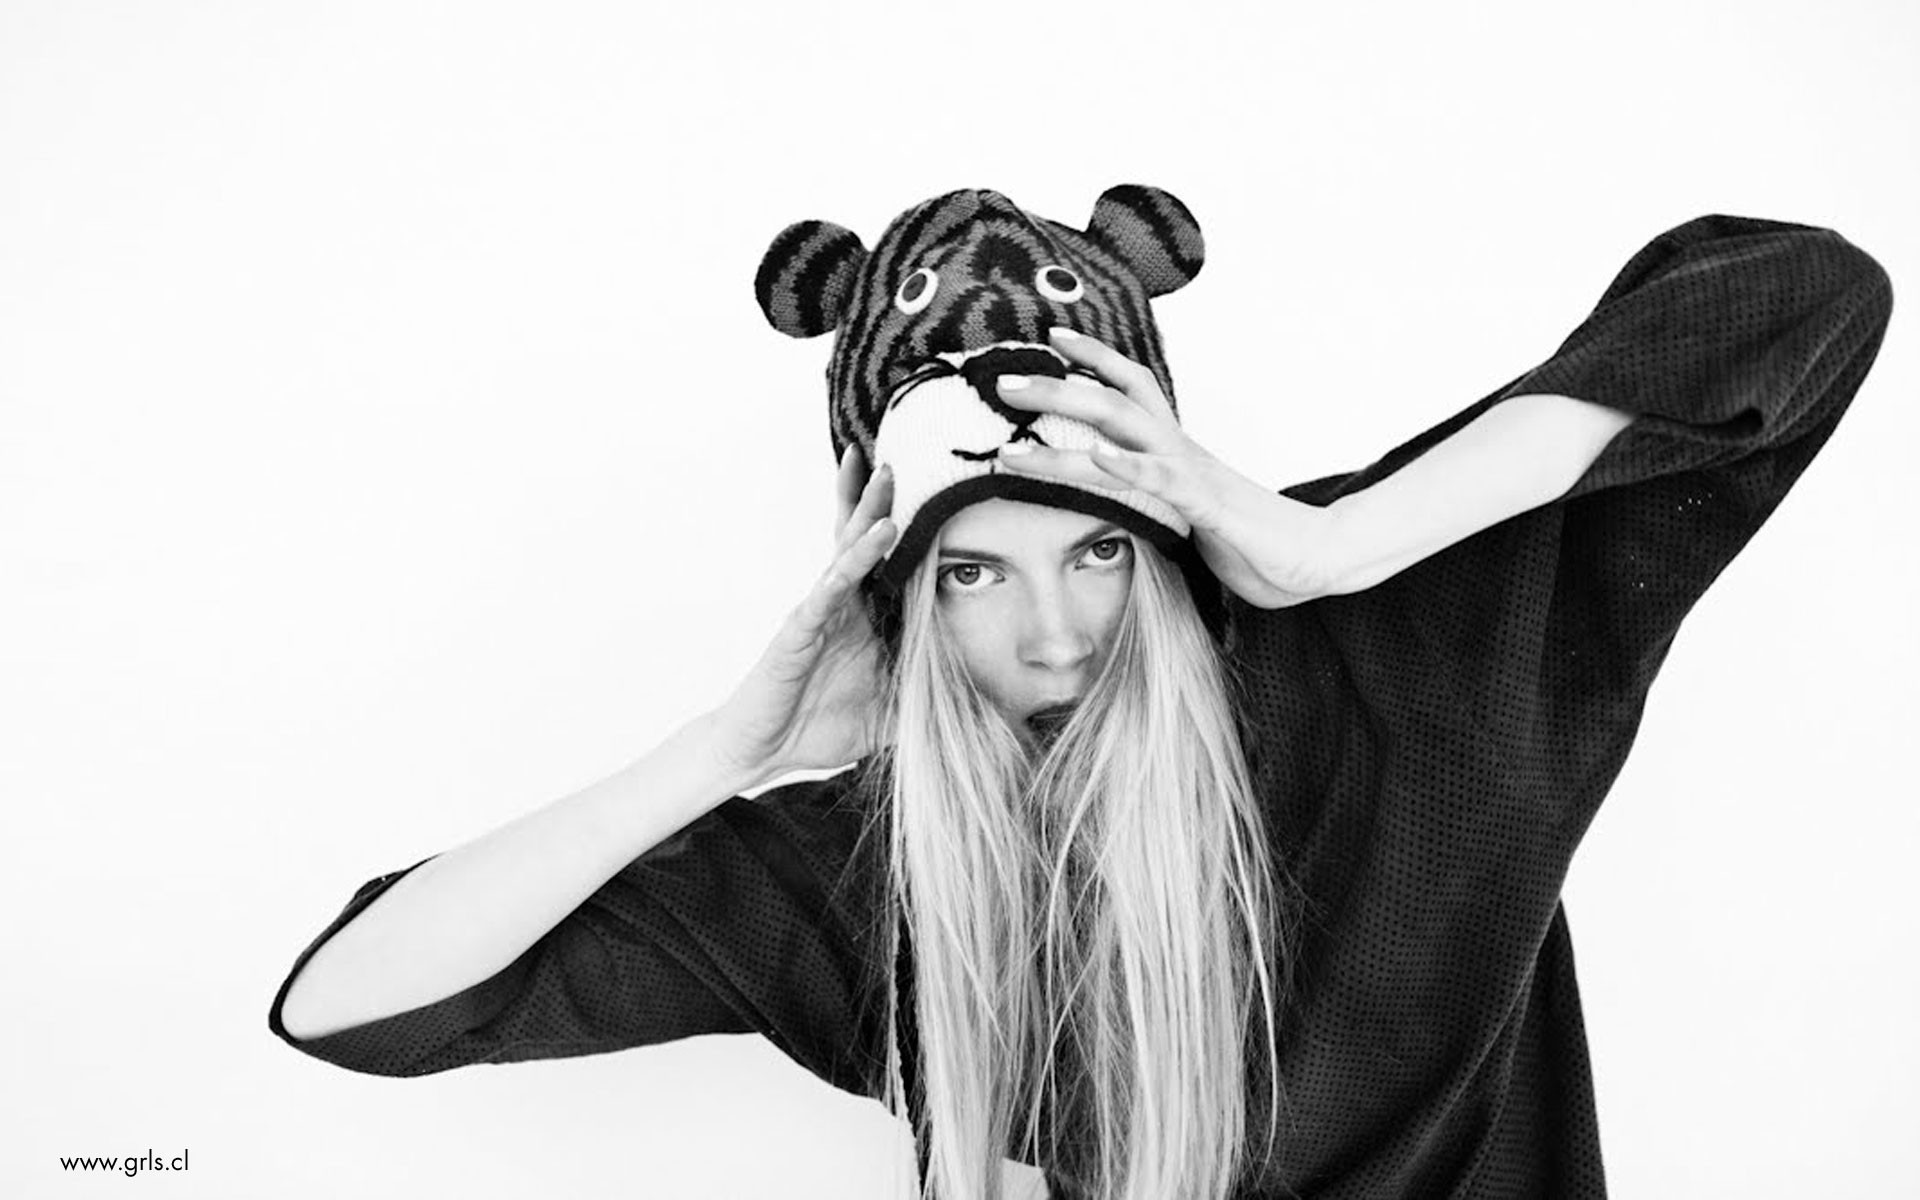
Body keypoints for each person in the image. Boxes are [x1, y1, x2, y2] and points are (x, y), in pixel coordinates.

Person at [269, 205, 1892, 1200]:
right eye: (973, 573)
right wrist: (730, 749)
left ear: (1167, 516)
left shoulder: (1397, 640)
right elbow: (351, 1003)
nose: (1053, 629)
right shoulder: (875, 875)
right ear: (896, 589)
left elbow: (1804, 295)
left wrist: (1332, 547)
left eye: (1099, 549)